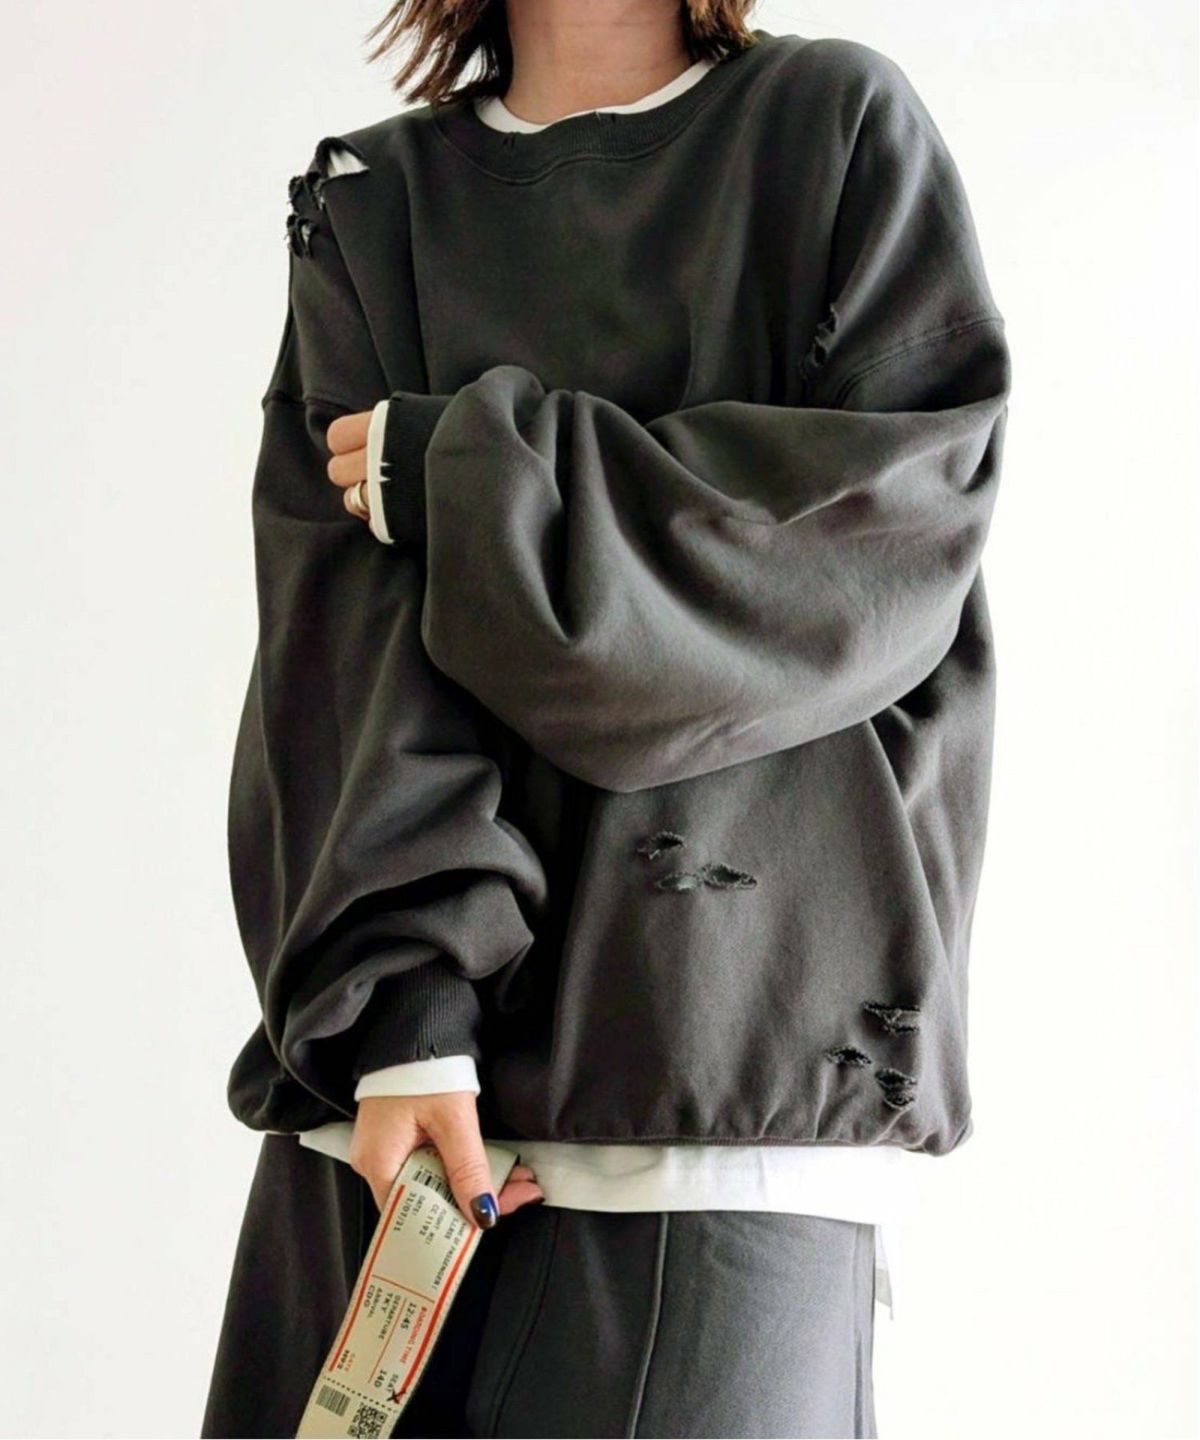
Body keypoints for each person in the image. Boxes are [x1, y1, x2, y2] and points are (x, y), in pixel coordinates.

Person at [201, 2, 1012, 1436]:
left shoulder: (831, 129)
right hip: (397, 1129)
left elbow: (868, 553)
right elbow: (338, 644)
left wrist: (464, 476)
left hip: (715, 1100)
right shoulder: (376, 198)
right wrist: (404, 1019)